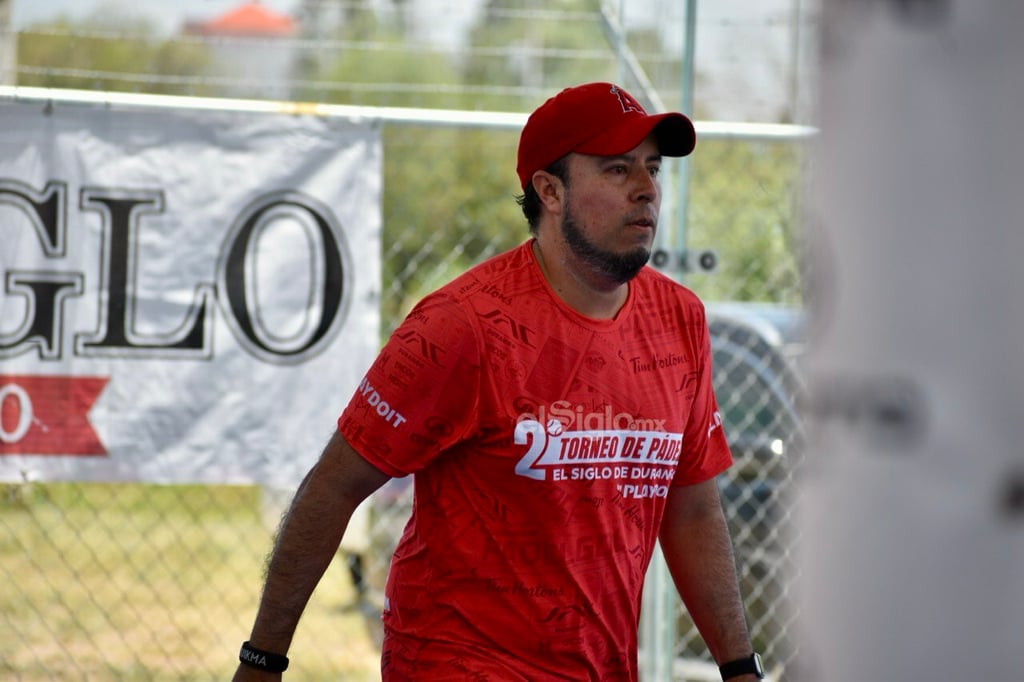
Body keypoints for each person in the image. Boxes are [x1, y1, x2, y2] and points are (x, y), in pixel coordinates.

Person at [233, 81, 765, 682]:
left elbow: (691, 505)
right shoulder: (462, 325)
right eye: (617, 170)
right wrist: (263, 661)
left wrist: (740, 668)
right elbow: (333, 487)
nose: (646, 190)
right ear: (550, 191)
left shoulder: (679, 319)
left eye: (652, 168)